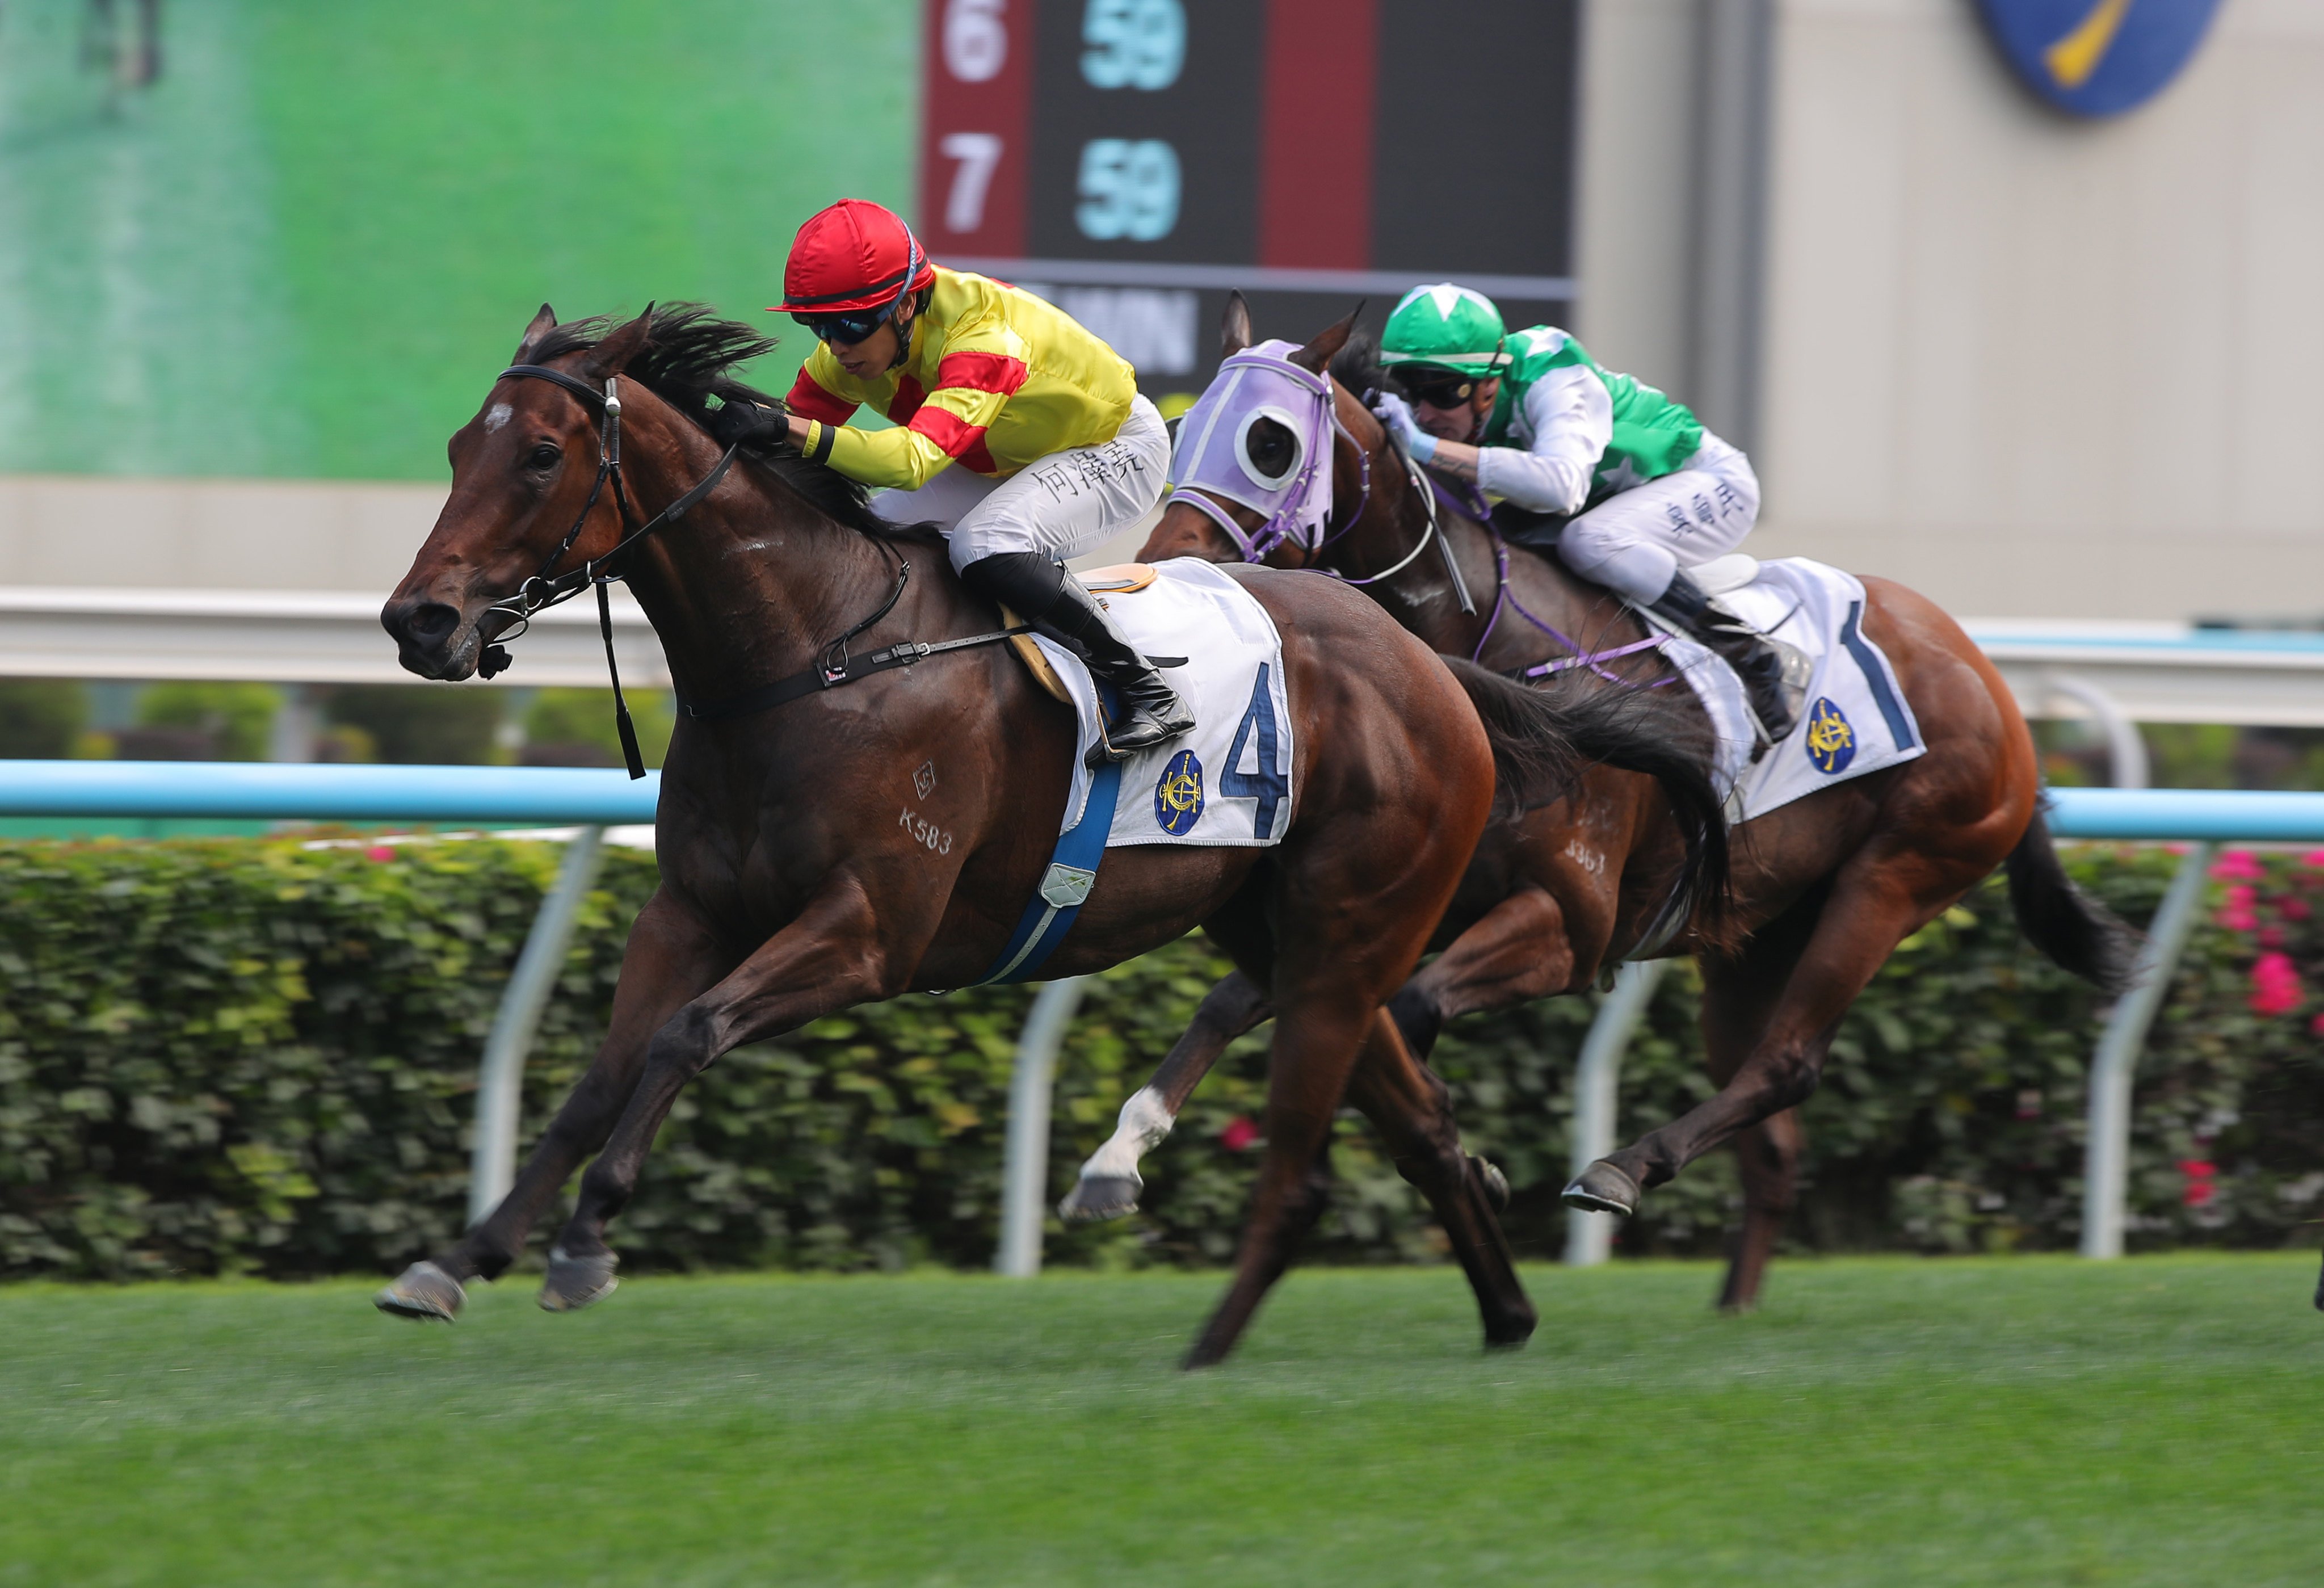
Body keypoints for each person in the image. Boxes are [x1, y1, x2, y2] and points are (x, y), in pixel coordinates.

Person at [772, 199, 1190, 763]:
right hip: (1003, 460)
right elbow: (779, 448)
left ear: (906, 304)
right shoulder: (847, 355)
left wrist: (794, 432)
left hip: (1113, 447)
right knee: (868, 537)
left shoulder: (983, 339)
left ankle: (1149, 691)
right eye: (816, 324)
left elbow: (911, 461)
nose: (836, 344)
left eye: (850, 323)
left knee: (985, 542)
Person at [1369, 282, 1803, 742]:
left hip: (1709, 483)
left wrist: (1423, 448)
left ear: (1491, 381)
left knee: (1591, 541)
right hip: (1612, 503)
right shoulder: (1448, 413)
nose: (1425, 412)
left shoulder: (1552, 370)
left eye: (1442, 392)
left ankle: (1754, 656)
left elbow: (1562, 487)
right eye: (1410, 391)